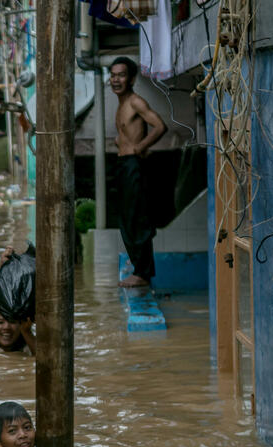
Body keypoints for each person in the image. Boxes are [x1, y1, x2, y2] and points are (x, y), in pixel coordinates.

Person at [109, 56, 167, 288]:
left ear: (131, 79)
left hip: (134, 164)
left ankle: (143, 274)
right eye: (113, 75)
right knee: (126, 218)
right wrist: (121, 142)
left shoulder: (135, 102)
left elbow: (160, 126)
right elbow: (128, 132)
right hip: (125, 164)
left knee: (137, 219)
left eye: (121, 75)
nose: (115, 79)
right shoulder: (122, 104)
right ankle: (138, 269)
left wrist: (139, 147)